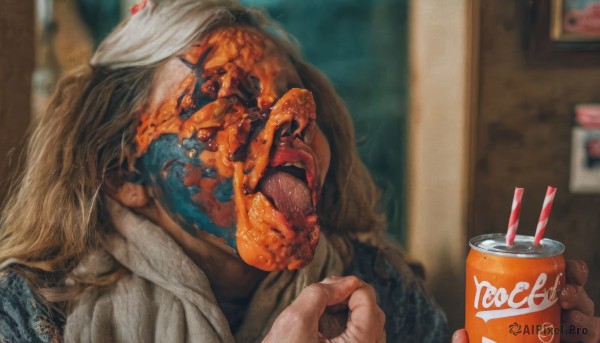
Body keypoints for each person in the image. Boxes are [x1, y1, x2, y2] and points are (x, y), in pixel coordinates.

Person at [0, 0, 446, 342]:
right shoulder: (30, 312)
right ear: (124, 174)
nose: (294, 116)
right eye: (230, 98)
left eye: (295, 95)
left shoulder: (377, 289)